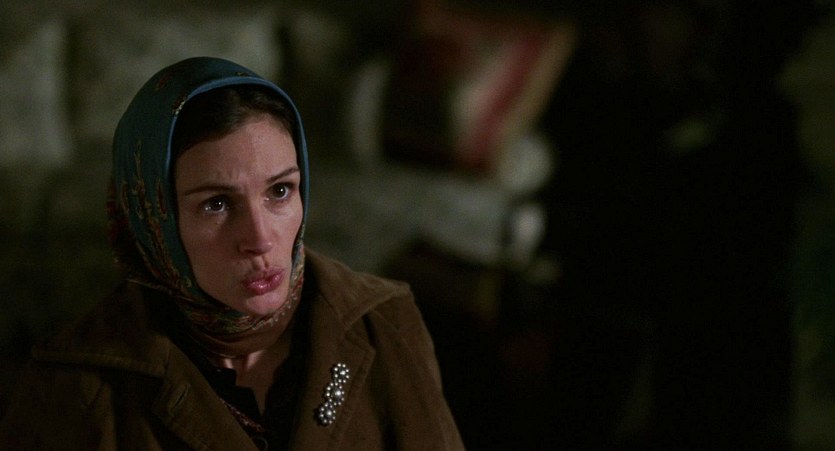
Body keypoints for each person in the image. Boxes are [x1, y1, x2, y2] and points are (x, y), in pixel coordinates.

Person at [0, 56, 464, 450]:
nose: (259, 238)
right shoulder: (75, 385)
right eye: (217, 204)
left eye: (280, 191)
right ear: (154, 220)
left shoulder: (385, 321)